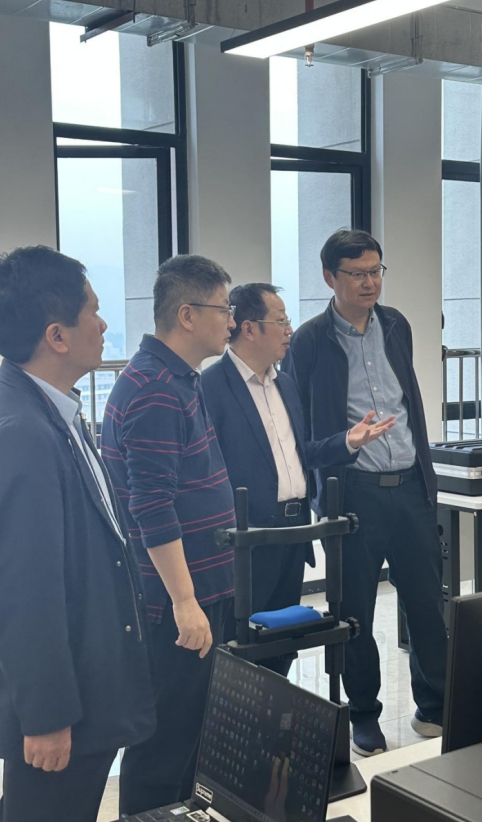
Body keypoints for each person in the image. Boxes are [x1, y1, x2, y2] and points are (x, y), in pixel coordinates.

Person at [0, 246, 155, 822]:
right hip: (63, 709)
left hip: (89, 687)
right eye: (92, 311)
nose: (104, 324)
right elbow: (26, 591)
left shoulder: (52, 411)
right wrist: (46, 717)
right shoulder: (24, 433)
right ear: (56, 336)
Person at [281, 229, 448, 757]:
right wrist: (339, 456)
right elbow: (297, 430)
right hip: (354, 492)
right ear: (330, 278)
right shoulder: (309, 341)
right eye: (357, 274)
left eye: (376, 271)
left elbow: (409, 402)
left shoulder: (396, 324)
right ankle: (364, 714)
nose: (369, 282)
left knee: (427, 602)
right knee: (355, 612)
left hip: (411, 485)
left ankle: (436, 704)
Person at [101, 254, 237, 815]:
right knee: (164, 748)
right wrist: (185, 601)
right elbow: (150, 504)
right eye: (223, 309)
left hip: (199, 588)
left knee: (189, 743)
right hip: (175, 601)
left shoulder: (177, 378)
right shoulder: (156, 388)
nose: (231, 321)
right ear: (187, 314)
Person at [201, 283, 394, 674]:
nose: (289, 330)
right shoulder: (211, 386)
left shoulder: (284, 382)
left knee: (284, 643)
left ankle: (278, 713)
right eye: (281, 321)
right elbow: (208, 467)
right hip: (247, 539)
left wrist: (347, 441)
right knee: (243, 647)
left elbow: (299, 453)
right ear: (249, 328)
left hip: (294, 532)